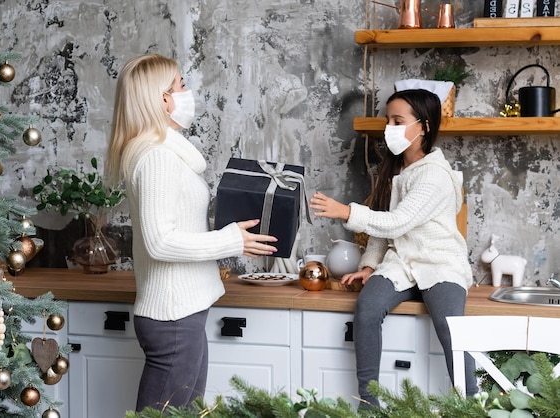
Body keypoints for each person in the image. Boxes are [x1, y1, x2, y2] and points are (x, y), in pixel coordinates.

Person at [105, 54, 278, 411]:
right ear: (162, 98)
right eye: (181, 84)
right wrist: (231, 240)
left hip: (183, 313)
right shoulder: (156, 157)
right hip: (172, 317)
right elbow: (160, 241)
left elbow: (176, 226)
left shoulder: (165, 153)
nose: (188, 92)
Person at [309, 89, 477, 408]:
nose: (390, 127)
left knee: (453, 330)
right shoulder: (396, 170)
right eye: (388, 120)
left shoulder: (436, 176)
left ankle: (470, 405)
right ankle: (368, 402)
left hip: (438, 263)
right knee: (367, 307)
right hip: (400, 263)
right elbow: (383, 228)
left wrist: (347, 211)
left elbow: (397, 222)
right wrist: (370, 265)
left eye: (398, 121)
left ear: (424, 127)